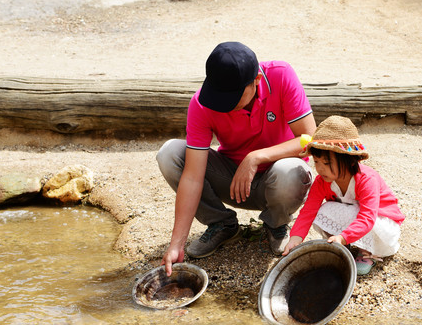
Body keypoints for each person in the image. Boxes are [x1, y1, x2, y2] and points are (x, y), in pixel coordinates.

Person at [157, 42, 316, 274]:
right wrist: (176, 244)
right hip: (233, 182)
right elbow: (192, 177)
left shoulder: (280, 75)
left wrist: (256, 157)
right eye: (219, 96)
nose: (223, 106)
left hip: (280, 182)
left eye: (231, 98)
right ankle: (222, 224)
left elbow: (309, 139)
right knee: (170, 154)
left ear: (257, 81)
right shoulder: (202, 103)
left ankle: (276, 224)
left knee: (291, 171)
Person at [282, 115, 405, 275]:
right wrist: (295, 238)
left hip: (380, 224)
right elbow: (308, 211)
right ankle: (343, 246)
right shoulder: (321, 182)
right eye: (317, 162)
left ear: (349, 160)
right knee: (323, 211)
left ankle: (368, 253)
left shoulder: (366, 179)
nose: (320, 169)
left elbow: (368, 216)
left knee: (356, 216)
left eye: (327, 163)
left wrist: (343, 236)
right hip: (355, 218)